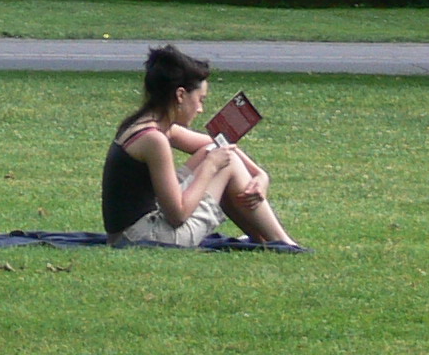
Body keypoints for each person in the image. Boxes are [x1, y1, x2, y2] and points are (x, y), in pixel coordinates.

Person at [103, 44, 298, 248]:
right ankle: (282, 242)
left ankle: (264, 239)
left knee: (215, 151)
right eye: (200, 100)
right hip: (143, 236)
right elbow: (177, 215)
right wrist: (210, 167)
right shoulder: (154, 139)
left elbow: (217, 144)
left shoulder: (144, 124)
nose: (200, 109)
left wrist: (260, 175)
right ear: (180, 95)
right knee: (224, 161)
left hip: (134, 231)